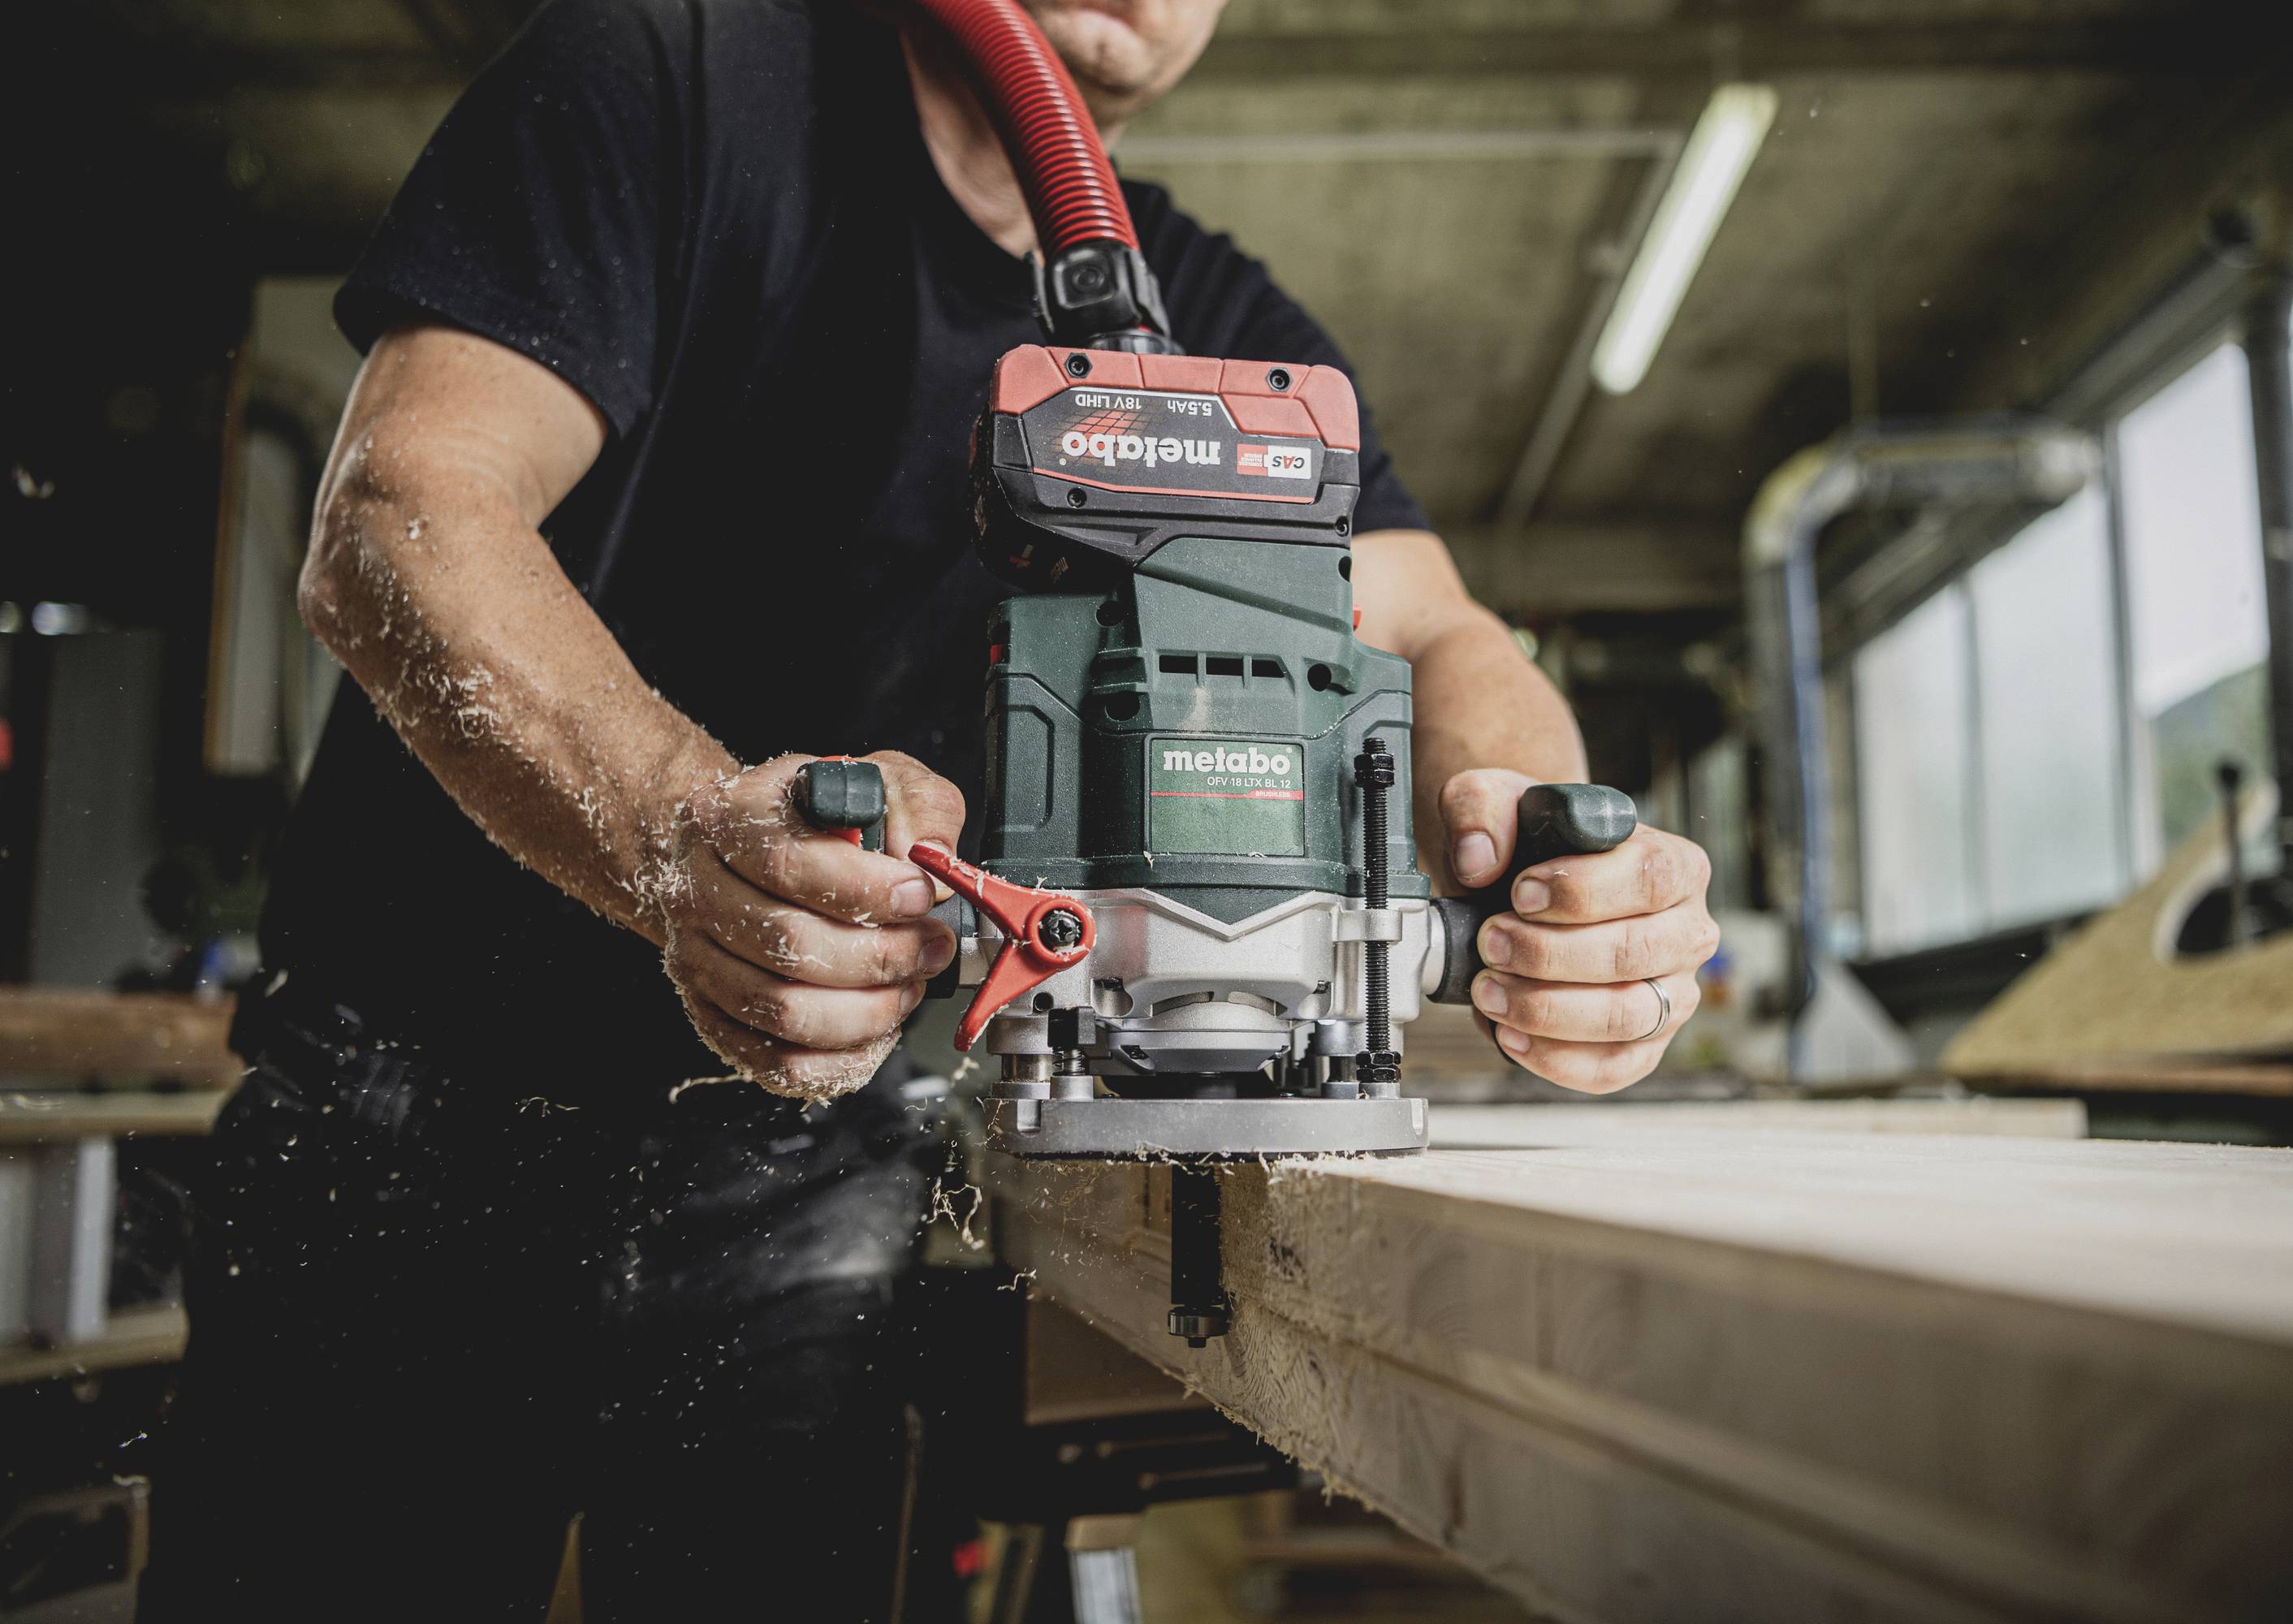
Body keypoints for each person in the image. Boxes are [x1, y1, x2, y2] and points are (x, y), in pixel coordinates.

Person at [138, 1, 1720, 1617]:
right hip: (416, 1133)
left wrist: (1536, 842)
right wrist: (683, 834)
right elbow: (403, 513)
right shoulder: (674, 82)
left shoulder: (1213, 331)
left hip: (815, 1160)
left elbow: (1442, 633)